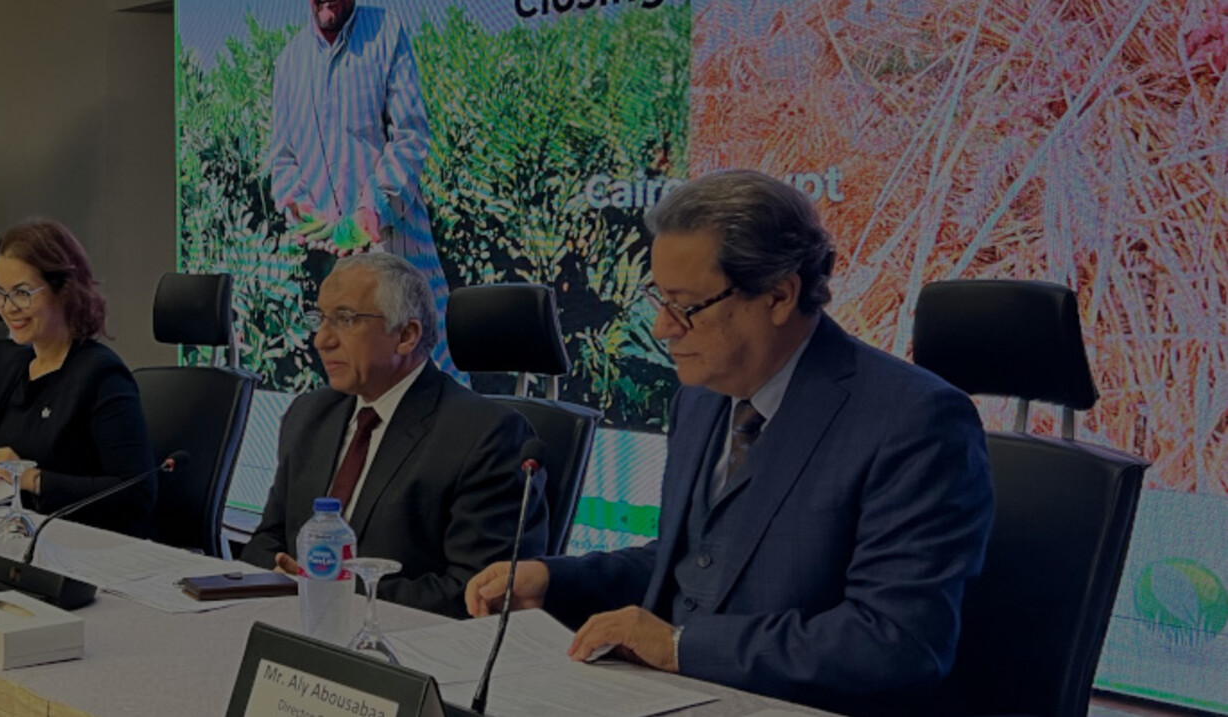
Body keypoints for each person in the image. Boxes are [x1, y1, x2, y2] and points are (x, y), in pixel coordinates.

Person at [463, 170, 994, 715]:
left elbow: (895, 642)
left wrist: (680, 646)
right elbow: (697, 562)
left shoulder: (913, 421)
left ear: (779, 295)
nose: (663, 328)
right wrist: (557, 581)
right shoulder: (700, 398)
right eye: (658, 298)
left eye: (686, 306)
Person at [237, 252, 546, 617]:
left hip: (407, 641)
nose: (321, 339)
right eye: (320, 319)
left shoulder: (487, 436)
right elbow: (266, 541)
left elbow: (475, 594)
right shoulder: (308, 414)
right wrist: (289, 580)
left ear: (406, 335)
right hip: (295, 625)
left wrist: (327, 588)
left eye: (345, 319)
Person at [0, 219, 156, 538]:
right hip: (25, 538)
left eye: (22, 293)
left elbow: (136, 494)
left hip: (91, 546)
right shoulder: (17, 368)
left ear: (64, 291)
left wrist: (32, 478)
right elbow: (2, 465)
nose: (7, 307)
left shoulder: (102, 374)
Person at [267, 0, 456, 376]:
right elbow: (282, 159)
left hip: (399, 253)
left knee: (436, 376)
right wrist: (300, 208)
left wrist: (372, 209)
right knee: (359, 381)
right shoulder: (289, 61)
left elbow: (410, 136)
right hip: (339, 266)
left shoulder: (387, 32)